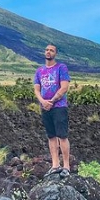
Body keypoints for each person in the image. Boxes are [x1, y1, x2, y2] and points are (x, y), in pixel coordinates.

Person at [34, 44, 71, 178]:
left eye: (52, 50)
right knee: (51, 136)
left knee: (62, 136)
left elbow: (64, 87)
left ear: (55, 53)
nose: (48, 52)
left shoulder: (61, 68)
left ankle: (66, 166)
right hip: (45, 107)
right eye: (47, 50)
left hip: (59, 106)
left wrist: (52, 101)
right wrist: (43, 101)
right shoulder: (39, 71)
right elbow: (37, 89)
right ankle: (55, 165)